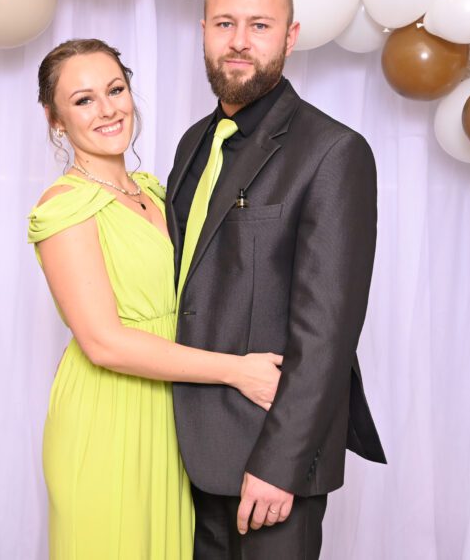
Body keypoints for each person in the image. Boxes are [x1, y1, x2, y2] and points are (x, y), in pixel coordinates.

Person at [27, 38, 284, 559]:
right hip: (108, 413)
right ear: (56, 120)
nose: (107, 109)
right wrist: (236, 371)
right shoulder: (64, 207)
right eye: (83, 100)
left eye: (115, 90)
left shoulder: (154, 191)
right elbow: (104, 343)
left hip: (172, 410)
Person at [167, 0, 387, 558]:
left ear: (290, 37)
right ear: (204, 31)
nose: (239, 41)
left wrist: (281, 465)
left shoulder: (333, 152)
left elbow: (327, 332)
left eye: (259, 25)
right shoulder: (193, 143)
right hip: (183, 454)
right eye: (225, 23)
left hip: (268, 463)